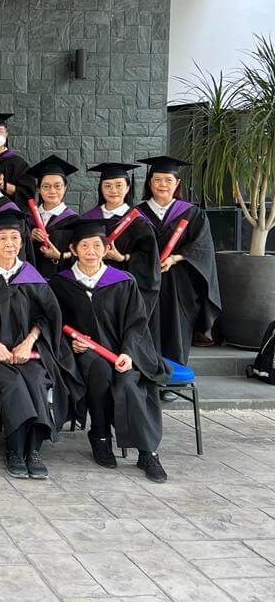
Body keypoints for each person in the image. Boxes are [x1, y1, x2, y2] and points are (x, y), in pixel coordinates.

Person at [50, 218, 171, 483]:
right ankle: (101, 436)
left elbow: (137, 323)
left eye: (97, 245)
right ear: (73, 249)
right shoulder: (61, 283)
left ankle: (147, 452)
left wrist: (128, 352)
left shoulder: (123, 281)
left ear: (106, 249)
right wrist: (70, 343)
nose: (91, 251)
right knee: (99, 372)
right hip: (85, 353)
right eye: (84, 245)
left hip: (124, 352)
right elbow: (54, 322)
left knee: (129, 384)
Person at [0, 211, 82, 480]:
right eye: (2, 238)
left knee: (38, 382)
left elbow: (48, 316)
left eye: (15, 238)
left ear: (21, 242)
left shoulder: (31, 275)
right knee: (14, 385)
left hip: (28, 352)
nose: (9, 243)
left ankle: (34, 450)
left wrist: (28, 342)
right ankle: (15, 450)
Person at [135, 156, 221, 368]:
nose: (162, 184)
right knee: (146, 326)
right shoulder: (136, 213)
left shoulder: (192, 212)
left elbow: (202, 246)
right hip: (145, 281)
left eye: (168, 180)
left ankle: (174, 376)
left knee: (176, 329)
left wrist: (175, 258)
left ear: (177, 183)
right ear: (149, 183)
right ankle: (149, 373)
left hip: (179, 283)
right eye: (157, 180)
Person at [82, 163, 161, 351]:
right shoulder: (88, 219)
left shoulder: (139, 222)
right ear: (101, 188)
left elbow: (150, 261)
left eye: (119, 185)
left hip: (125, 287)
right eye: (107, 185)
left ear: (127, 188)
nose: (113, 190)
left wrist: (123, 258)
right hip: (92, 284)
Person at [26, 155, 81, 280]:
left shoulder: (75, 221)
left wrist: (60, 256)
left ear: (65, 188)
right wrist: (28, 236)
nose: (52, 191)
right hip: (31, 280)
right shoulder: (27, 219)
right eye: (46, 186)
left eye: (57, 186)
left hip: (62, 281)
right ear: (39, 189)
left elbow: (83, 253)